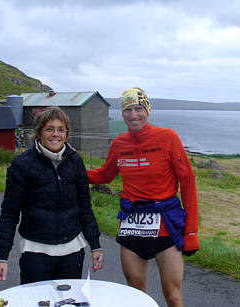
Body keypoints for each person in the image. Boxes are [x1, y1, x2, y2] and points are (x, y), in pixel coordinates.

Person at [87, 87, 199, 307]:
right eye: (128, 109)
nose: (133, 115)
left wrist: (192, 231)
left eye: (138, 108)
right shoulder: (119, 144)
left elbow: (187, 182)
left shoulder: (168, 138)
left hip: (165, 223)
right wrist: (72, 170)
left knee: (174, 297)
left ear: (147, 110)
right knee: (136, 295)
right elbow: (105, 175)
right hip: (132, 224)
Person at [0, 106, 103, 284]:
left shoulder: (75, 161)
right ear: (39, 132)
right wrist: (2, 257)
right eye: (49, 129)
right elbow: (9, 212)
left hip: (72, 253)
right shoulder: (22, 164)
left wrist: (95, 245)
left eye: (61, 129)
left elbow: (84, 207)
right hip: (36, 252)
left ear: (67, 133)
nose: (56, 134)